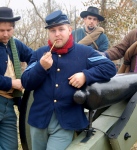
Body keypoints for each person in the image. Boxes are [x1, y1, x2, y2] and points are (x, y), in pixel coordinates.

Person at [21, 10, 116, 150]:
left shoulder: (84, 52)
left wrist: (85, 75)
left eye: (61, 29)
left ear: (69, 30)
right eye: (53, 30)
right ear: (49, 33)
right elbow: (26, 82)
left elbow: (109, 67)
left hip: (66, 121)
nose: (57, 34)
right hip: (39, 120)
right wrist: (41, 68)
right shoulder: (40, 53)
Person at [104, 8, 137, 150]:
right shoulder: (133, 35)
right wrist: (103, 55)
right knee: (132, 112)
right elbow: (119, 49)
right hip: (135, 79)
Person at [0, 7, 33, 150]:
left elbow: (34, 57)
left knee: (10, 146)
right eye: (1, 30)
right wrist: (11, 83)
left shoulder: (15, 44)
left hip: (9, 104)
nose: (6, 34)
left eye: (9, 30)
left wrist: (27, 75)